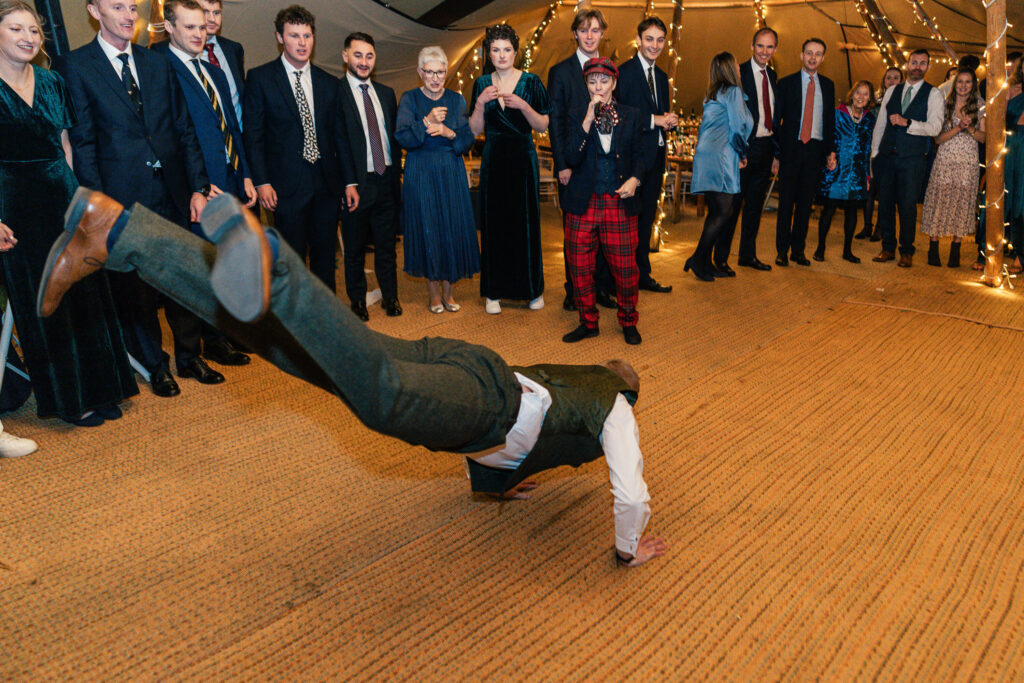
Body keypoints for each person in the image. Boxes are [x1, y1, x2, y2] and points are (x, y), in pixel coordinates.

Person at [39, 188, 668, 567]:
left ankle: (118, 231)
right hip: (491, 402)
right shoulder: (614, 404)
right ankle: (277, 267)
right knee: (382, 399)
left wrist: (502, 486)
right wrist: (626, 547)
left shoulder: (572, 381)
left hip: (470, 363)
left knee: (300, 353)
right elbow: (632, 493)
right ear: (625, 388)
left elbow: (530, 449)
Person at [55, 0, 221, 398]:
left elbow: (183, 129)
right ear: (94, 11)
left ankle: (189, 355)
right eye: (118, 6)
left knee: (181, 276)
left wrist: (198, 187)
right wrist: (99, 205)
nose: (130, 15)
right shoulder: (74, 66)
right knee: (136, 290)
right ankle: (154, 365)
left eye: (133, 6)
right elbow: (84, 142)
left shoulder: (157, 62)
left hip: (174, 192)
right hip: (121, 197)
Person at [0, 0, 136, 430]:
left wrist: (79, 204)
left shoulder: (53, 81)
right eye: (16, 29)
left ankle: (104, 387)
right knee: (46, 301)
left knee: (85, 293)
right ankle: (70, 398)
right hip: (14, 209)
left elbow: (66, 145)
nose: (28, 37)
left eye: (34, 30)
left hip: (62, 196)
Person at [151, 0, 255, 369]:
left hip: (229, 181)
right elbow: (170, 136)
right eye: (191, 27)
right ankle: (189, 353)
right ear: (170, 27)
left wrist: (244, 173)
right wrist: (198, 183)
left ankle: (217, 340)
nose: (199, 33)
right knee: (194, 270)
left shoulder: (213, 68)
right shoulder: (159, 68)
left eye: (202, 26)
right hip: (196, 189)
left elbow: (231, 125)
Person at [243, 6, 359, 295]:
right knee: (290, 262)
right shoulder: (260, 78)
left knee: (324, 262)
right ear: (280, 37)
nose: (302, 42)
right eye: (294, 35)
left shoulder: (329, 83)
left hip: (326, 187)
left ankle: (326, 324)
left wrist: (349, 181)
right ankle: (295, 328)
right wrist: (262, 181)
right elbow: (253, 136)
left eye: (307, 35)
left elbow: (339, 138)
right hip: (284, 188)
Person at [559, 58, 644, 346]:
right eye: (593, 81)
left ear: (614, 83)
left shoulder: (631, 114)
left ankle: (628, 320)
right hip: (584, 200)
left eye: (604, 81)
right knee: (579, 266)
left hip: (618, 201)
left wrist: (635, 179)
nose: (599, 87)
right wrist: (586, 119)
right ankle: (588, 322)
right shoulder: (575, 115)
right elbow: (571, 156)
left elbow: (644, 155)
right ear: (587, 85)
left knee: (625, 268)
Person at [469, 25, 550, 315]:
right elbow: (475, 129)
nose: (501, 55)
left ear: (515, 52)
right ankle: (494, 292)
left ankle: (532, 289)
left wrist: (524, 106)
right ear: (489, 54)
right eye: (495, 50)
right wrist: (479, 103)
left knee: (526, 221)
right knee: (494, 222)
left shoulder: (531, 81)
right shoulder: (481, 84)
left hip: (522, 156)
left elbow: (542, 124)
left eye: (506, 49)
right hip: (494, 157)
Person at [395, 46, 479, 313]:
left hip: (451, 171)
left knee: (451, 228)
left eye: (440, 72)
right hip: (420, 172)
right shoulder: (410, 99)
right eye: (429, 72)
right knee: (428, 228)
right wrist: (426, 121)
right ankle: (433, 295)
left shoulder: (456, 100)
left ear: (446, 72)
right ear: (420, 72)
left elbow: (467, 140)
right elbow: (402, 137)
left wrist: (448, 132)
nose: (435, 78)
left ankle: (449, 293)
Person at [547, 8, 615, 311]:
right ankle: (573, 288)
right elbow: (556, 122)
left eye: (596, 30)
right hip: (573, 165)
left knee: (604, 232)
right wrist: (562, 164)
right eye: (584, 30)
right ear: (575, 33)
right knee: (574, 231)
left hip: (605, 166)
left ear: (602, 33)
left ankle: (600, 287)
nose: (590, 36)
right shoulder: (560, 72)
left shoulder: (612, 69)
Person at [338, 32, 403, 321]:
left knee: (387, 246)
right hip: (356, 183)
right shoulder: (334, 93)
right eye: (358, 55)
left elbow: (393, 138)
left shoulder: (387, 93)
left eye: (369, 56)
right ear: (345, 56)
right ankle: (358, 301)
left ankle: (391, 297)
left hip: (386, 180)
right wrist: (346, 183)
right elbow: (335, 144)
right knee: (354, 248)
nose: (364, 62)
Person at [613, 16, 676, 291]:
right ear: (638, 40)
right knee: (625, 221)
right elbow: (619, 116)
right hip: (630, 161)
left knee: (647, 219)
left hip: (656, 158)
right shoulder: (623, 73)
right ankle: (619, 279)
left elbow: (660, 115)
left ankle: (642, 275)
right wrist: (656, 120)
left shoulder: (662, 77)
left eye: (660, 40)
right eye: (649, 39)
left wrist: (667, 122)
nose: (655, 45)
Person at [871, 48, 943, 267]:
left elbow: (935, 127)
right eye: (914, 62)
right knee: (885, 203)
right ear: (907, 64)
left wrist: (909, 123)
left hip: (912, 159)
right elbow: (880, 124)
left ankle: (907, 250)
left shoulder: (933, 94)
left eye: (922, 63)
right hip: (886, 156)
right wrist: (874, 155)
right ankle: (887, 248)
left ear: (928, 67)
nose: (917, 67)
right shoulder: (893, 91)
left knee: (907, 206)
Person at [717, 27, 779, 273]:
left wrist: (776, 153)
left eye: (770, 47)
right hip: (741, 149)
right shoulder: (737, 73)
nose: (764, 51)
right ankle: (720, 258)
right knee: (732, 206)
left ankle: (747, 255)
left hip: (765, 147)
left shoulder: (773, 76)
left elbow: (774, 115)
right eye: (761, 46)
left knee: (755, 206)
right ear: (752, 46)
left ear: (775, 49)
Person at [686, 52, 753, 282]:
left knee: (717, 210)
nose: (739, 67)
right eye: (736, 64)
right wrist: (743, 154)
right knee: (725, 210)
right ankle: (697, 258)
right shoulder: (732, 92)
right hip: (722, 155)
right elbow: (736, 127)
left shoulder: (713, 93)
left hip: (707, 154)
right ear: (729, 69)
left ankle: (703, 261)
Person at [773, 38, 837, 267]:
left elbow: (829, 122)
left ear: (823, 58)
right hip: (791, 149)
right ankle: (782, 250)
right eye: (809, 53)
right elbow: (776, 121)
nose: (813, 57)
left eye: (818, 54)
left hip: (815, 151)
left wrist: (831, 152)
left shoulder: (828, 85)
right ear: (801, 55)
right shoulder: (786, 83)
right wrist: (776, 153)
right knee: (786, 203)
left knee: (805, 204)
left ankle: (798, 250)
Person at [921, 68, 985, 268]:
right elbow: (937, 139)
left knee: (962, 201)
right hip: (946, 158)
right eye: (960, 82)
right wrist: (958, 128)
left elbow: (984, 138)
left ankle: (956, 249)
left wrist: (971, 128)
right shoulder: (944, 104)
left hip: (968, 160)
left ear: (973, 85)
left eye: (967, 82)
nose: (963, 86)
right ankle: (933, 246)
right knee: (939, 199)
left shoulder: (980, 106)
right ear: (954, 84)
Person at [814, 81, 875, 263]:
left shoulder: (869, 119)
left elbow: (867, 148)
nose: (861, 97)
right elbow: (827, 138)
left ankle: (847, 251)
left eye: (865, 94)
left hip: (857, 172)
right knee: (829, 210)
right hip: (836, 169)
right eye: (858, 93)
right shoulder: (838, 113)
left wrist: (866, 175)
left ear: (870, 98)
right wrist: (828, 157)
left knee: (852, 213)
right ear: (852, 93)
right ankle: (820, 248)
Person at [857, 66, 904, 241]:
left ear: (901, 81)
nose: (891, 81)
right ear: (883, 81)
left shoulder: (902, 103)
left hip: (889, 152)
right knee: (869, 192)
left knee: (885, 193)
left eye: (896, 78)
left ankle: (880, 228)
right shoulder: (873, 103)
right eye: (888, 77)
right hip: (870, 151)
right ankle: (867, 226)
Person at [196, 0, 243, 128]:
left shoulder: (234, 49)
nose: (212, 19)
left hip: (238, 135)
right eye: (205, 12)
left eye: (216, 13)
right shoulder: (184, 52)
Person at [1006, 59, 1024, 273]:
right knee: (1012, 198)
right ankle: (1017, 252)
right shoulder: (1011, 89)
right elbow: (997, 117)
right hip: (1012, 145)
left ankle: (1020, 254)